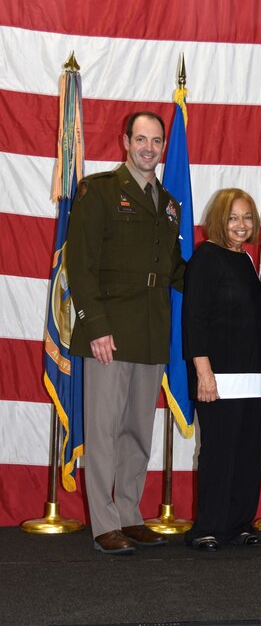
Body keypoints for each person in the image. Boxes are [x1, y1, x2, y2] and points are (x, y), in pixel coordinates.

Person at [66, 112, 186, 554]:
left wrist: (222, 272)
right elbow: (80, 264)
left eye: (156, 140)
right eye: (141, 139)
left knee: (137, 430)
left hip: (151, 331)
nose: (149, 147)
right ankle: (104, 523)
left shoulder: (169, 203)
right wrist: (95, 326)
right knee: (103, 430)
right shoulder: (98, 190)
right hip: (110, 331)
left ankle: (130, 513)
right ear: (125, 142)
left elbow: (174, 269)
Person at [183, 189, 261, 551]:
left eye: (247, 217)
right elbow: (194, 319)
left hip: (252, 375)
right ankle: (209, 526)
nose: (241, 224)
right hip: (217, 376)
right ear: (219, 219)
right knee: (218, 452)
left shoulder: (249, 262)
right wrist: (203, 371)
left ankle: (239, 523)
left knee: (248, 453)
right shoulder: (206, 257)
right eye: (233, 217)